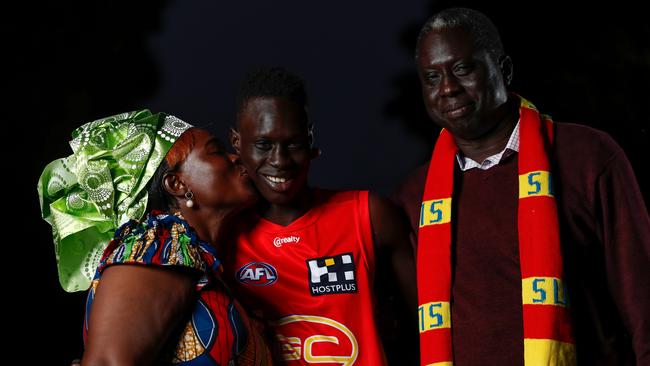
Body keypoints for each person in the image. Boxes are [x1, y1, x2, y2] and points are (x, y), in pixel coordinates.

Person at [392, 7, 650, 366]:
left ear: (505, 70)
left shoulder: (587, 156)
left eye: (463, 69)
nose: (448, 88)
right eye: (432, 77)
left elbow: (641, 295)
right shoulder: (413, 195)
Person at [38, 110, 272, 365]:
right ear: (177, 184)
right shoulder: (157, 243)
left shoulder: (196, 259)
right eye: (216, 151)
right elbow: (107, 362)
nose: (236, 158)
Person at [220, 67, 417, 365]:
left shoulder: (369, 214)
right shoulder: (223, 236)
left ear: (310, 138)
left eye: (293, 144)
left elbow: (428, 327)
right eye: (263, 145)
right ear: (237, 143)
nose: (280, 160)